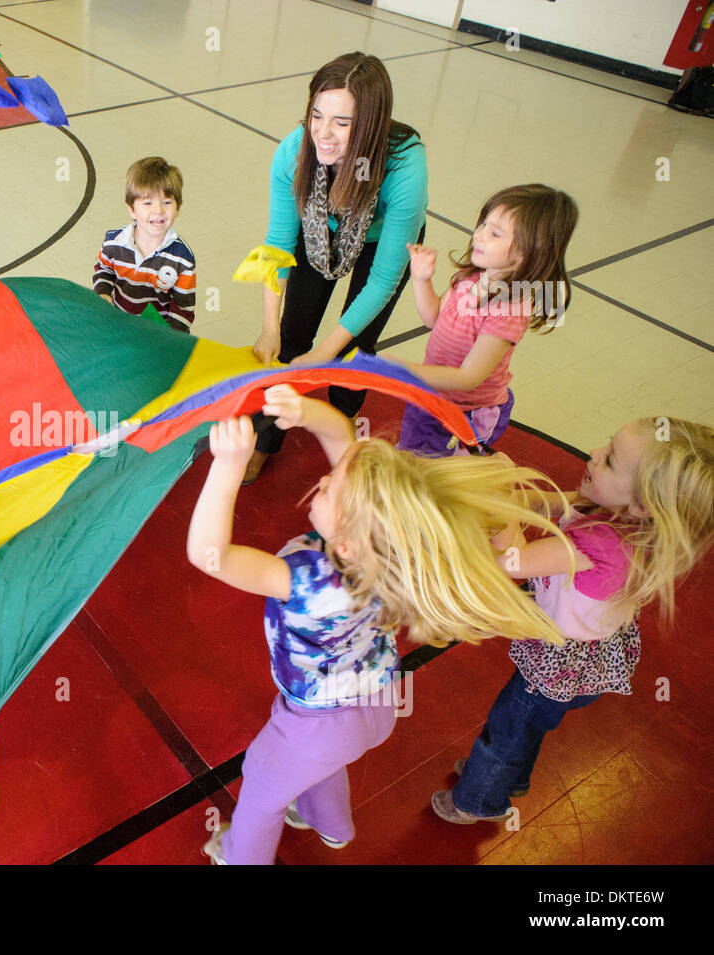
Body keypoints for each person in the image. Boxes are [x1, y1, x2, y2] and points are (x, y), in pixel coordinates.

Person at [189, 385, 571, 864]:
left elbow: (212, 556)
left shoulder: (309, 580)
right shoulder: (391, 555)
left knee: (261, 792)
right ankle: (329, 824)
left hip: (314, 723)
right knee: (326, 762)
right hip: (374, 706)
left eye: (330, 486)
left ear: (347, 543)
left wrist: (226, 468)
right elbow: (341, 438)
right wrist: (303, 411)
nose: (324, 480)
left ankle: (236, 855)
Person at [433, 416, 714, 823]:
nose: (594, 454)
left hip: (558, 666)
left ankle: (478, 802)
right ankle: (509, 778)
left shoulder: (599, 545)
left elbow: (511, 561)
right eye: (606, 445)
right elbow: (543, 506)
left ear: (641, 504)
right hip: (587, 656)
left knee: (506, 731)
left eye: (611, 460)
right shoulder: (623, 519)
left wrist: (499, 490)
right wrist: (505, 486)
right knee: (525, 729)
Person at [246, 51, 428, 483]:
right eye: (316, 115)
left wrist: (325, 356)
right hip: (319, 229)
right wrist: (269, 324)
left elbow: (382, 282)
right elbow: (277, 245)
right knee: (292, 335)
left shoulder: (405, 169)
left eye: (342, 123)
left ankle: (343, 432)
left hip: (378, 240)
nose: (323, 134)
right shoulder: (295, 151)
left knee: (355, 347)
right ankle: (265, 440)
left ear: (370, 125)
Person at [395, 184, 578, 457]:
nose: (478, 235)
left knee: (448, 476)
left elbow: (468, 377)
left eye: (495, 233)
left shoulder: (510, 310)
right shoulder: (471, 278)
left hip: (470, 413)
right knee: (409, 457)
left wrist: (403, 371)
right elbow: (433, 318)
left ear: (527, 252)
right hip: (433, 394)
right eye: (483, 224)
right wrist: (422, 279)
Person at [92, 156, 196, 332]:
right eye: (148, 203)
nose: (158, 210)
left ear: (178, 208)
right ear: (131, 209)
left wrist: (167, 339)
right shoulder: (113, 242)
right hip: (119, 325)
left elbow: (183, 308)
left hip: (157, 335)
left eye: (167, 202)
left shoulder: (182, 258)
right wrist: (103, 292)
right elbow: (104, 270)